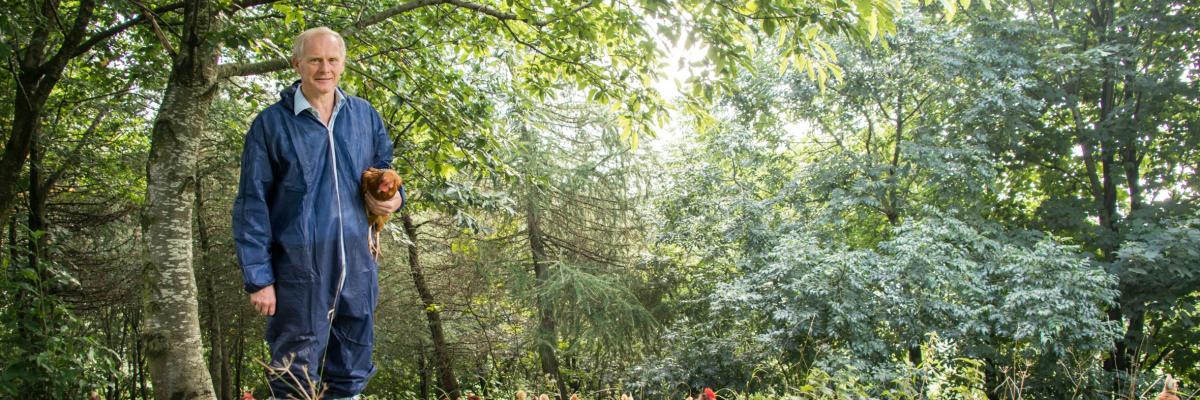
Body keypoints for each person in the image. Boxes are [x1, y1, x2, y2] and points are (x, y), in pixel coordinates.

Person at [232, 26, 404, 399]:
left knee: (351, 372)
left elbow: (384, 170)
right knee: (294, 375)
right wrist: (259, 278)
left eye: (332, 60)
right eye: (315, 60)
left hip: (357, 268)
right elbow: (251, 204)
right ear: (297, 64)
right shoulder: (271, 125)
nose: (324, 68)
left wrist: (394, 201)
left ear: (342, 64)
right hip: (298, 272)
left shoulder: (363, 116)